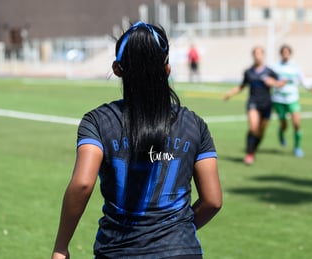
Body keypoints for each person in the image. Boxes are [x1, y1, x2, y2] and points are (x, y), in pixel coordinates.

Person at [52, 21, 222, 259]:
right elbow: (213, 200)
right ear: (167, 69)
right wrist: (175, 231)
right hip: (181, 250)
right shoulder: (194, 124)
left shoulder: (98, 121)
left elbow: (82, 184)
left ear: (117, 68)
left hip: (118, 251)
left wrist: (61, 246)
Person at [223, 46, 285, 165]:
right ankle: (249, 153)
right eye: (255, 54)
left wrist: (274, 83)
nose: (257, 56)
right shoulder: (248, 72)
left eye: (260, 53)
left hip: (267, 104)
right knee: (253, 127)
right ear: (253, 55)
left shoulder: (270, 71)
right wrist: (230, 94)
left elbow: (281, 83)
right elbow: (241, 86)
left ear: (263, 55)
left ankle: (253, 149)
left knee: (261, 133)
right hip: (253, 102)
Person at [272, 44, 312, 158]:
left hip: (292, 99)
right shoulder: (275, 67)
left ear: (290, 53)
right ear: (281, 53)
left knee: (297, 124)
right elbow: (270, 80)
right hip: (279, 100)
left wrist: (311, 88)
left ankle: (297, 147)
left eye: (287, 52)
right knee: (284, 124)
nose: (285, 54)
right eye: (283, 52)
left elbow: (303, 80)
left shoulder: (295, 67)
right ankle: (281, 132)